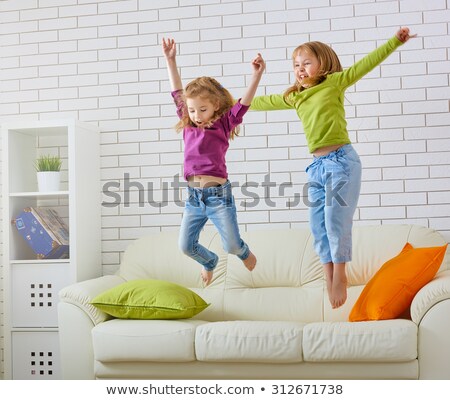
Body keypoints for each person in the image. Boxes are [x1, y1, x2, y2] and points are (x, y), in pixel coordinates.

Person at [250, 27, 416, 309]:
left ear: (322, 63)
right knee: (317, 226)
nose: (300, 69)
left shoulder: (335, 83)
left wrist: (395, 41)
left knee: (334, 221)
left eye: (306, 63)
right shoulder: (295, 97)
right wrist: (224, 103)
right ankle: (329, 275)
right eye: (296, 65)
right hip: (316, 167)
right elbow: (259, 103)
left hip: (341, 162)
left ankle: (341, 273)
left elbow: (367, 63)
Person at [162, 37, 266, 286]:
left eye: (203, 109)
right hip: (193, 198)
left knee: (230, 244)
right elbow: (177, 91)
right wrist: (170, 59)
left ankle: (243, 252)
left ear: (215, 106)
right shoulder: (187, 121)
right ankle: (209, 262)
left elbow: (244, 104)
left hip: (219, 196)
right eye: (193, 110)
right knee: (185, 246)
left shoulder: (224, 123)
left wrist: (256, 76)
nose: (197, 115)